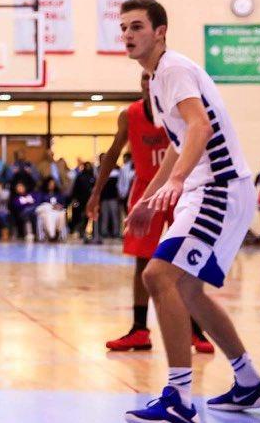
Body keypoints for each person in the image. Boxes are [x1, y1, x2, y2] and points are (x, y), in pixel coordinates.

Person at [120, 0, 260, 423]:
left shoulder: (173, 69)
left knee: (157, 277)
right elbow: (177, 142)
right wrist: (147, 201)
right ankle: (249, 381)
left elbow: (201, 126)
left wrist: (178, 180)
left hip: (219, 187)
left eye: (137, 27)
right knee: (187, 290)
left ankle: (179, 400)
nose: (128, 35)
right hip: (202, 189)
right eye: (124, 28)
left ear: (160, 31)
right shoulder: (155, 81)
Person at [90, 74, 212, 354]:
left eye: (153, 78)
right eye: (144, 78)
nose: (148, 82)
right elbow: (111, 153)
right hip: (146, 190)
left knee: (187, 258)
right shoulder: (129, 115)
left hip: (179, 185)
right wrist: (96, 192)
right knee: (142, 261)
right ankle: (139, 330)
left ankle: (196, 329)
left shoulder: (179, 111)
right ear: (140, 84)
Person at [69, 162, 96, 241]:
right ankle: (77, 230)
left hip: (89, 200)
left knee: (87, 217)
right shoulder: (80, 176)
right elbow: (75, 188)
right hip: (80, 200)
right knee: (78, 216)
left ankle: (83, 231)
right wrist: (74, 198)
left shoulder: (92, 177)